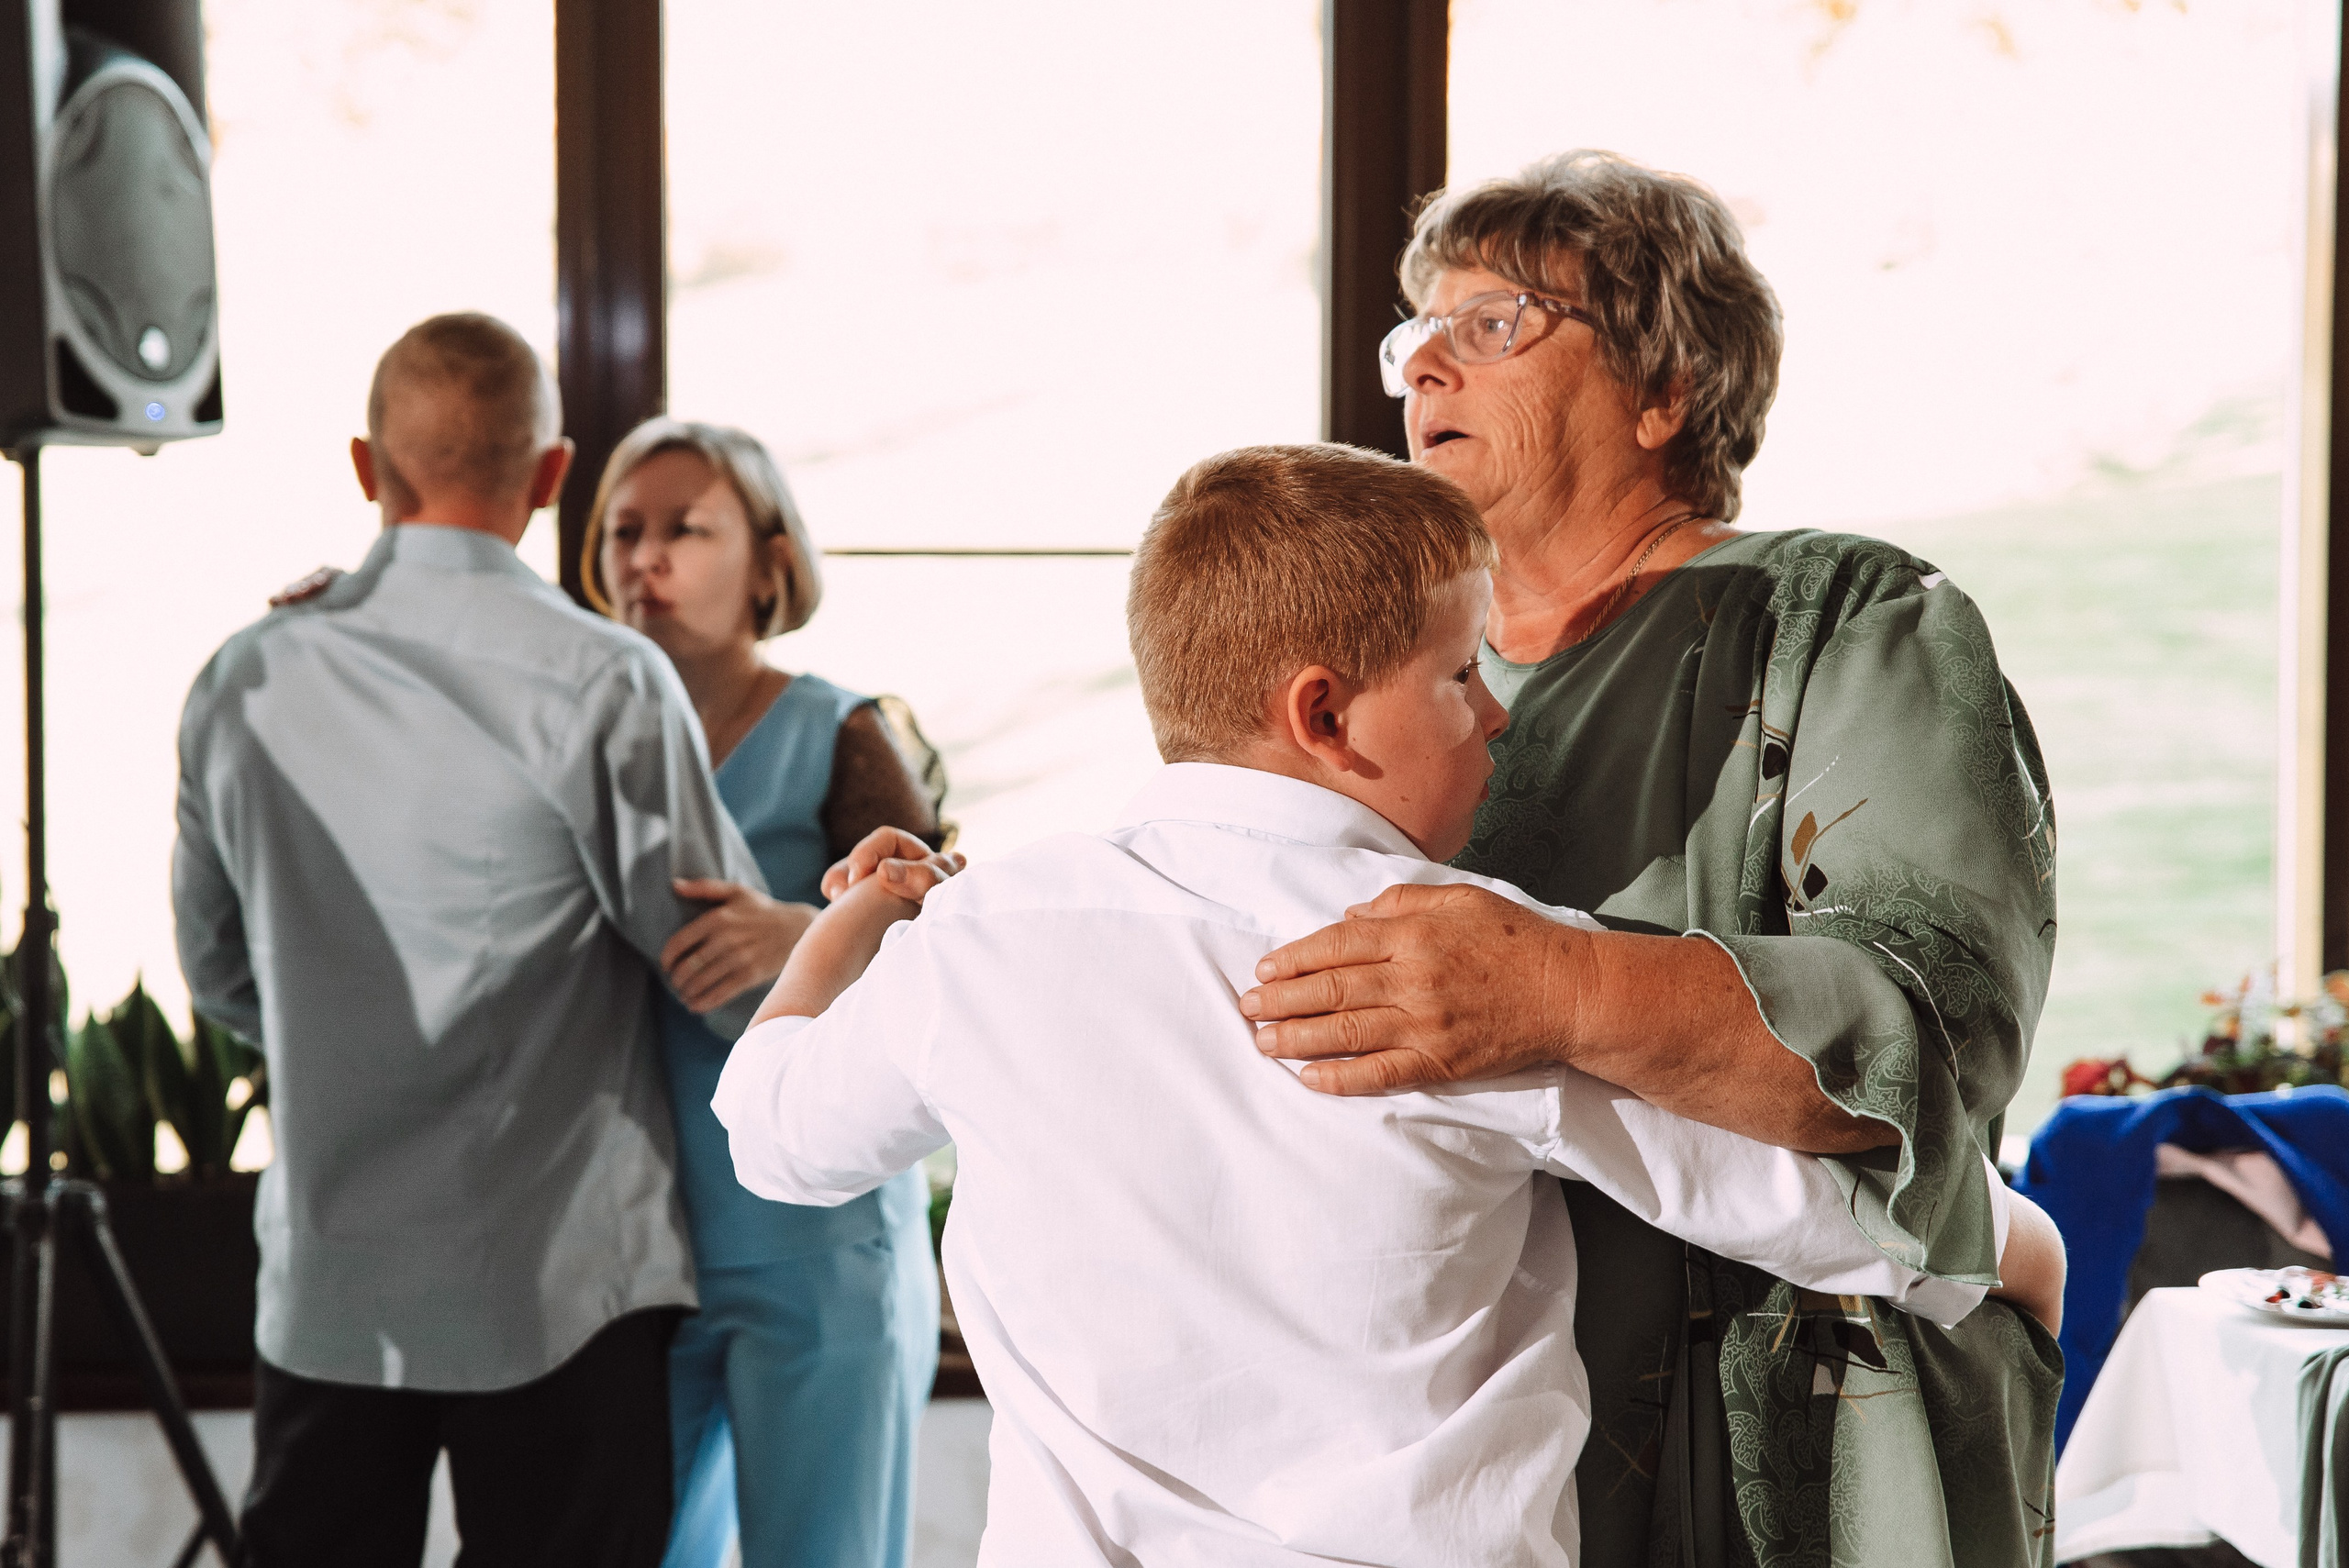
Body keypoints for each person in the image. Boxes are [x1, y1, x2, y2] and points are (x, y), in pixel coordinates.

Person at [711, 444, 2065, 1566]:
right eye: (1461, 673)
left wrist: (853, 930)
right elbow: (1809, 1212)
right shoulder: (1461, 970)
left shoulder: (987, 938)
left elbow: (773, 1137)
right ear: (1327, 717)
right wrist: (2019, 1247)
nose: (1498, 718)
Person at [1238, 151, 2065, 1566]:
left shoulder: (1845, 617)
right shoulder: (1379, 689)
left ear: (1665, 385)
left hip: (1790, 1448)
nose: (1424, 364)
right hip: (1453, 1465)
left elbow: (1930, 1031)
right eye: (1414, 332)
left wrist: (1556, 991)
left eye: (1493, 321)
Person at [173, 314, 767, 1568]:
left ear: (363, 466)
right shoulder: (605, 678)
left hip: (335, 1284)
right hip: (563, 1279)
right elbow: (718, 972)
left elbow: (224, 976)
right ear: (552, 476)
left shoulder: (244, 678)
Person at [580, 418, 944, 1568]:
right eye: (622, 529)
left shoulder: (841, 729)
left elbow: (960, 950)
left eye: (684, 528)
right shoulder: (580, 731)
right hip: (638, 1256)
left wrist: (802, 935)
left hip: (819, 1247)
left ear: (770, 559)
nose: (646, 557)